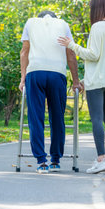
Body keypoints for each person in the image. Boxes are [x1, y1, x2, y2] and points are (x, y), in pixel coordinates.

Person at [58, 0, 105, 174]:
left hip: (97, 83)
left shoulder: (97, 27)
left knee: (96, 119)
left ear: (96, 9)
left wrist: (72, 45)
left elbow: (93, 55)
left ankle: (100, 159)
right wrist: (86, 80)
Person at [19, 11, 82, 174]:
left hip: (35, 72)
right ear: (54, 19)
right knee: (57, 117)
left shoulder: (30, 22)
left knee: (36, 118)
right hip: (57, 73)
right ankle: (55, 160)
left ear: (40, 18)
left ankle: (41, 161)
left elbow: (25, 51)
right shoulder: (63, 24)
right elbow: (70, 53)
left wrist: (22, 78)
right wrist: (76, 80)